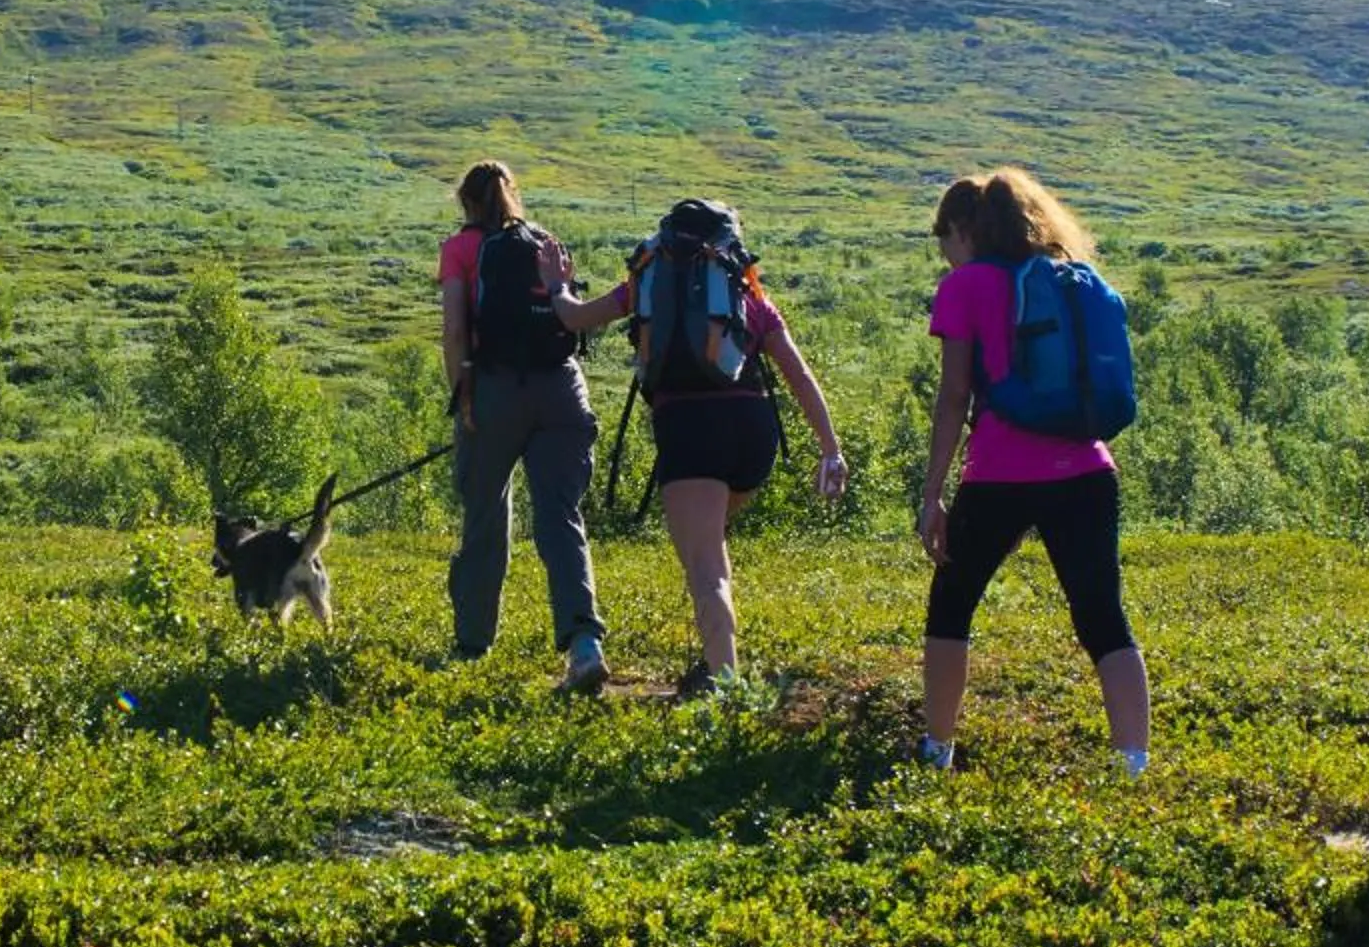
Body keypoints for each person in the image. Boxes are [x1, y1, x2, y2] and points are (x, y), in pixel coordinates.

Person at [545, 201, 846, 693]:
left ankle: (723, 684)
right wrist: (830, 448)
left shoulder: (647, 284)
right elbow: (799, 373)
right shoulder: (745, 293)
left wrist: (557, 284)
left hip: (688, 428)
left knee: (705, 568)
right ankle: (715, 660)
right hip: (753, 432)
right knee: (711, 548)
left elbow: (575, 318)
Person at [914, 168, 1150, 776]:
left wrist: (933, 492)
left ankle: (936, 749)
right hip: (1088, 469)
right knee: (1102, 614)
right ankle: (1133, 763)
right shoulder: (1069, 278)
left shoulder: (965, 288)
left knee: (953, 603)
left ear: (962, 231)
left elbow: (953, 397)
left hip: (999, 474)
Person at [440, 161, 611, 690]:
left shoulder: (460, 250)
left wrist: (462, 394)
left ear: (465, 201)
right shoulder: (544, 242)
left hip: (496, 389)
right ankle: (583, 645)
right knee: (560, 516)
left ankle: (473, 642)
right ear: (512, 196)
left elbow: (454, 331)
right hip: (562, 386)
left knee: (485, 513)